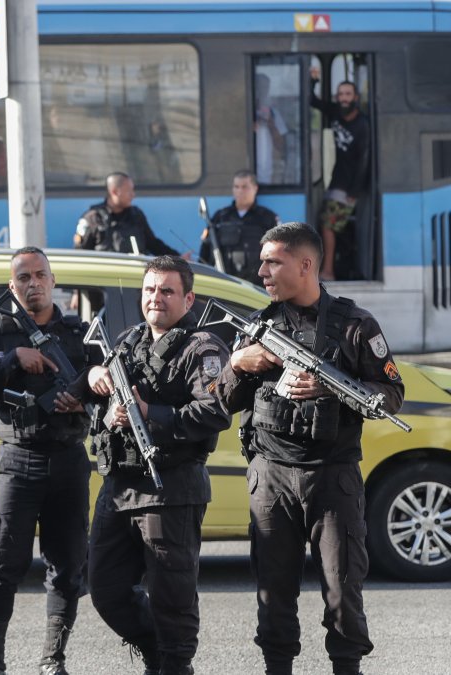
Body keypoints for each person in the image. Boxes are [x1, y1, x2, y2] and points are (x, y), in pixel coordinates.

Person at [214, 222, 403, 675]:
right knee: (273, 592)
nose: (261, 271)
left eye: (272, 261)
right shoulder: (257, 326)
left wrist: (330, 388)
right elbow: (219, 401)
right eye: (262, 261)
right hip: (272, 476)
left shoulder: (355, 326)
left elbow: (391, 394)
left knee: (343, 591)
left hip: (332, 476)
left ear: (305, 265)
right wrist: (239, 365)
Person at [84, 255, 231, 675]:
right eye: (150, 289)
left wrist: (151, 412)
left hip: (171, 487)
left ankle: (173, 664)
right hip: (120, 485)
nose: (156, 298)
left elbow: (215, 412)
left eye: (167, 291)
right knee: (104, 588)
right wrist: (102, 393)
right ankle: (156, 653)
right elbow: (102, 400)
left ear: (188, 298)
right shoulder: (128, 341)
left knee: (172, 596)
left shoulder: (203, 348)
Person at [0, 247, 91, 675]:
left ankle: (53, 659)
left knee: (68, 567)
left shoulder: (78, 333)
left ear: (53, 281)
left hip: (69, 461)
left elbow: (105, 392)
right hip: (19, 461)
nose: (32, 283)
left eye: (40, 275)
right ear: (12, 286)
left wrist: (82, 402)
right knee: (0, 566)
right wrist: (12, 360)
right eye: (23, 278)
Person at [310, 67, 371, 280]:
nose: (344, 99)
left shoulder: (362, 124)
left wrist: (354, 190)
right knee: (325, 224)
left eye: (348, 94)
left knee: (327, 226)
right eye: (341, 94)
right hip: (336, 181)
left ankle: (328, 271)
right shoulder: (336, 111)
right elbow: (313, 101)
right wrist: (313, 79)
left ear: (356, 97)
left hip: (348, 187)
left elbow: (365, 159)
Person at [200, 170, 280, 285]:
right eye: (236, 187)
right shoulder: (221, 217)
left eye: (244, 187)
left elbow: (278, 253)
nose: (240, 191)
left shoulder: (267, 218)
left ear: (255, 188)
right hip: (226, 284)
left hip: (258, 286)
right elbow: (206, 250)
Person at [74, 172, 180, 257]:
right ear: (115, 192)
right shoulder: (92, 218)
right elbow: (81, 254)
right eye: (129, 191)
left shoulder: (136, 215)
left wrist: (177, 258)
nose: (133, 195)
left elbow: (153, 244)